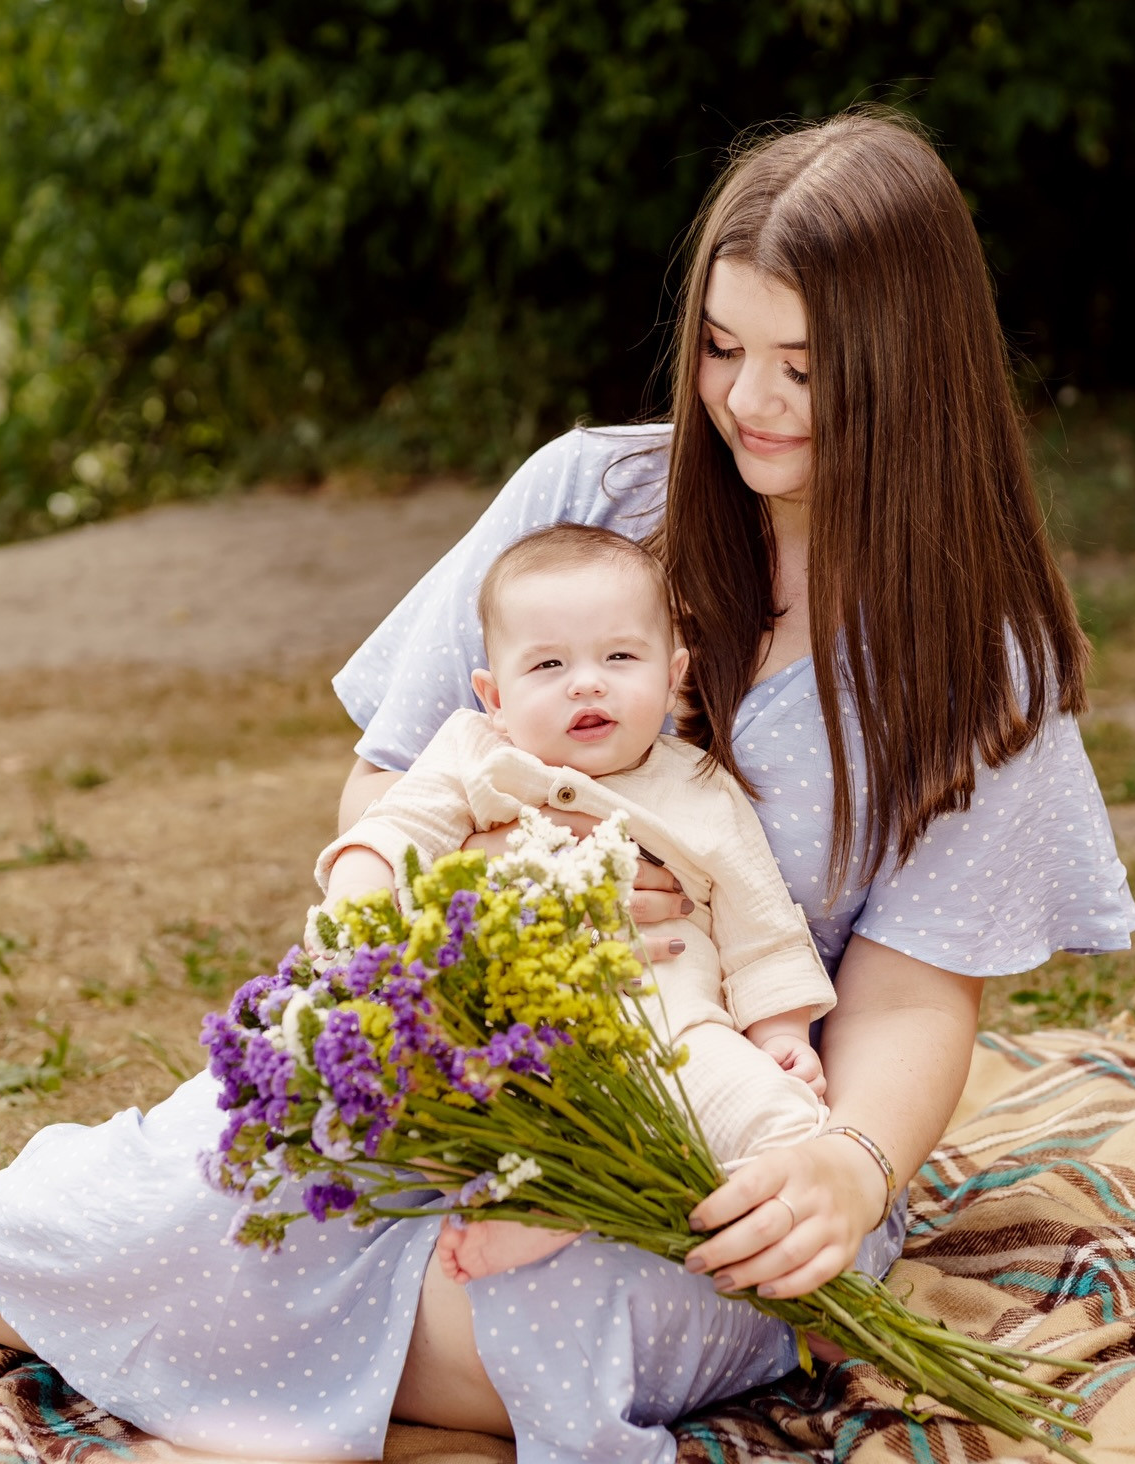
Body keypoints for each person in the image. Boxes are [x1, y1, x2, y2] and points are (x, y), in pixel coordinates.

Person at [0, 110, 1135, 1464]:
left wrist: (843, 1165)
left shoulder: (975, 662)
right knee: (240, 1190)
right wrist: (438, 981)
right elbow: (393, 774)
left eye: (805, 364)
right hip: (485, 1050)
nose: (750, 401)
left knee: (546, 1328)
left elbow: (919, 994)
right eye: (723, 348)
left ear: (911, 364)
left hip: (740, 1137)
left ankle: (96, 1298)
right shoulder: (592, 499)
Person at [321, 521, 840, 1282]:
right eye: (549, 664)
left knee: (784, 1124)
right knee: (428, 1102)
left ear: (673, 678)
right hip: (510, 1038)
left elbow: (759, 922)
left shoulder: (698, 786)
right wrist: (357, 912)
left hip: (673, 1031)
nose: (587, 683)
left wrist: (781, 1029)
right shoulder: (475, 755)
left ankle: (812, 1282)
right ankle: (536, 1199)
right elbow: (397, 828)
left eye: (620, 657)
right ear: (495, 697)